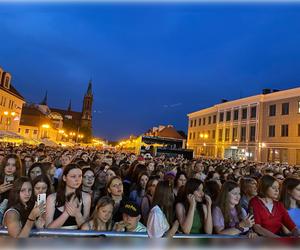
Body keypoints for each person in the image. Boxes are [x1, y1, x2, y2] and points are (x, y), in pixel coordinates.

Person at [46, 163, 91, 229]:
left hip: (78, 237)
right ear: (64, 178)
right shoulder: (51, 198)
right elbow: (48, 229)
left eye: (80, 176)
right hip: (56, 237)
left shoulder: (86, 197)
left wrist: (77, 214)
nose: (77, 179)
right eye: (73, 176)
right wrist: (66, 213)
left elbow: (86, 230)